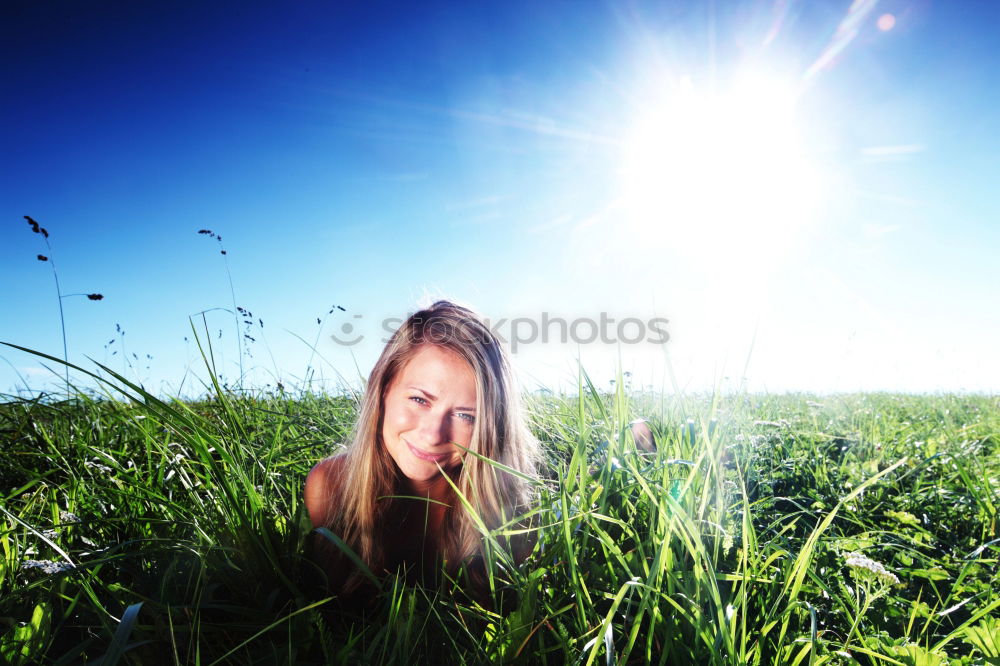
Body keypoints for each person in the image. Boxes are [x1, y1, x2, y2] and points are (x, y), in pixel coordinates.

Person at [303, 300, 540, 601]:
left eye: (466, 416)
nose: (433, 434)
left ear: (491, 427)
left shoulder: (516, 517)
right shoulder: (330, 487)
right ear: (384, 388)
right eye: (419, 400)